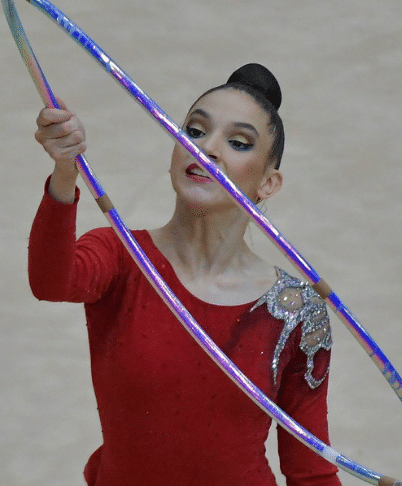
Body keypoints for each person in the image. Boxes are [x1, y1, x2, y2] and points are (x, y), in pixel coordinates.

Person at [27, 63, 341, 486]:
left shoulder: (297, 311)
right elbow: (51, 280)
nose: (206, 149)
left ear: (269, 183)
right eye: (194, 131)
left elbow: (311, 472)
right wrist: (66, 171)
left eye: (238, 142)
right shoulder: (121, 256)